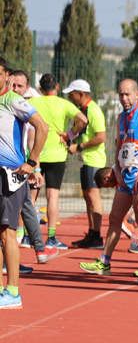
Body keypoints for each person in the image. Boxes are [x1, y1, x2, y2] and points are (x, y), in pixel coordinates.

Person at [80, 79, 138, 277]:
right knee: (114, 219)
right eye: (121, 94)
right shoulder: (121, 117)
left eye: (128, 94)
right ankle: (105, 261)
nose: (124, 98)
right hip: (125, 177)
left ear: (137, 94)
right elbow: (119, 146)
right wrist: (117, 169)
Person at [0, 58, 49, 309]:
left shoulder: (13, 100)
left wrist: (33, 162)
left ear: (6, 76)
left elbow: (42, 126)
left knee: (8, 233)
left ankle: (13, 291)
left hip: (9, 175)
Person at [28, 74, 88, 251]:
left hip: (35, 153)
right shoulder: (64, 104)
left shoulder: (33, 102)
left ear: (40, 88)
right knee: (52, 196)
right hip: (57, 155)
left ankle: (26, 235)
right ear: (58, 87)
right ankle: (51, 237)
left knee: (31, 198)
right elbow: (83, 120)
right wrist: (70, 134)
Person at [8, 72, 54, 264]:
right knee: (23, 208)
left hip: (18, 170)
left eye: (20, 87)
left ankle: (37, 249)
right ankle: (37, 250)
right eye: (13, 85)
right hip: (9, 168)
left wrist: (34, 168)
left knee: (26, 207)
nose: (16, 89)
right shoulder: (7, 104)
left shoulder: (25, 111)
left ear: (27, 89)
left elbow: (34, 138)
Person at [63, 79, 107, 248]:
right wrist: (68, 136)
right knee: (88, 197)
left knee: (93, 197)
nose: (70, 97)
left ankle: (96, 235)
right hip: (88, 160)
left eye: (72, 94)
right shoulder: (84, 110)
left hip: (94, 160)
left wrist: (79, 146)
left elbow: (101, 136)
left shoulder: (93, 110)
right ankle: (92, 233)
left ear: (81, 94)